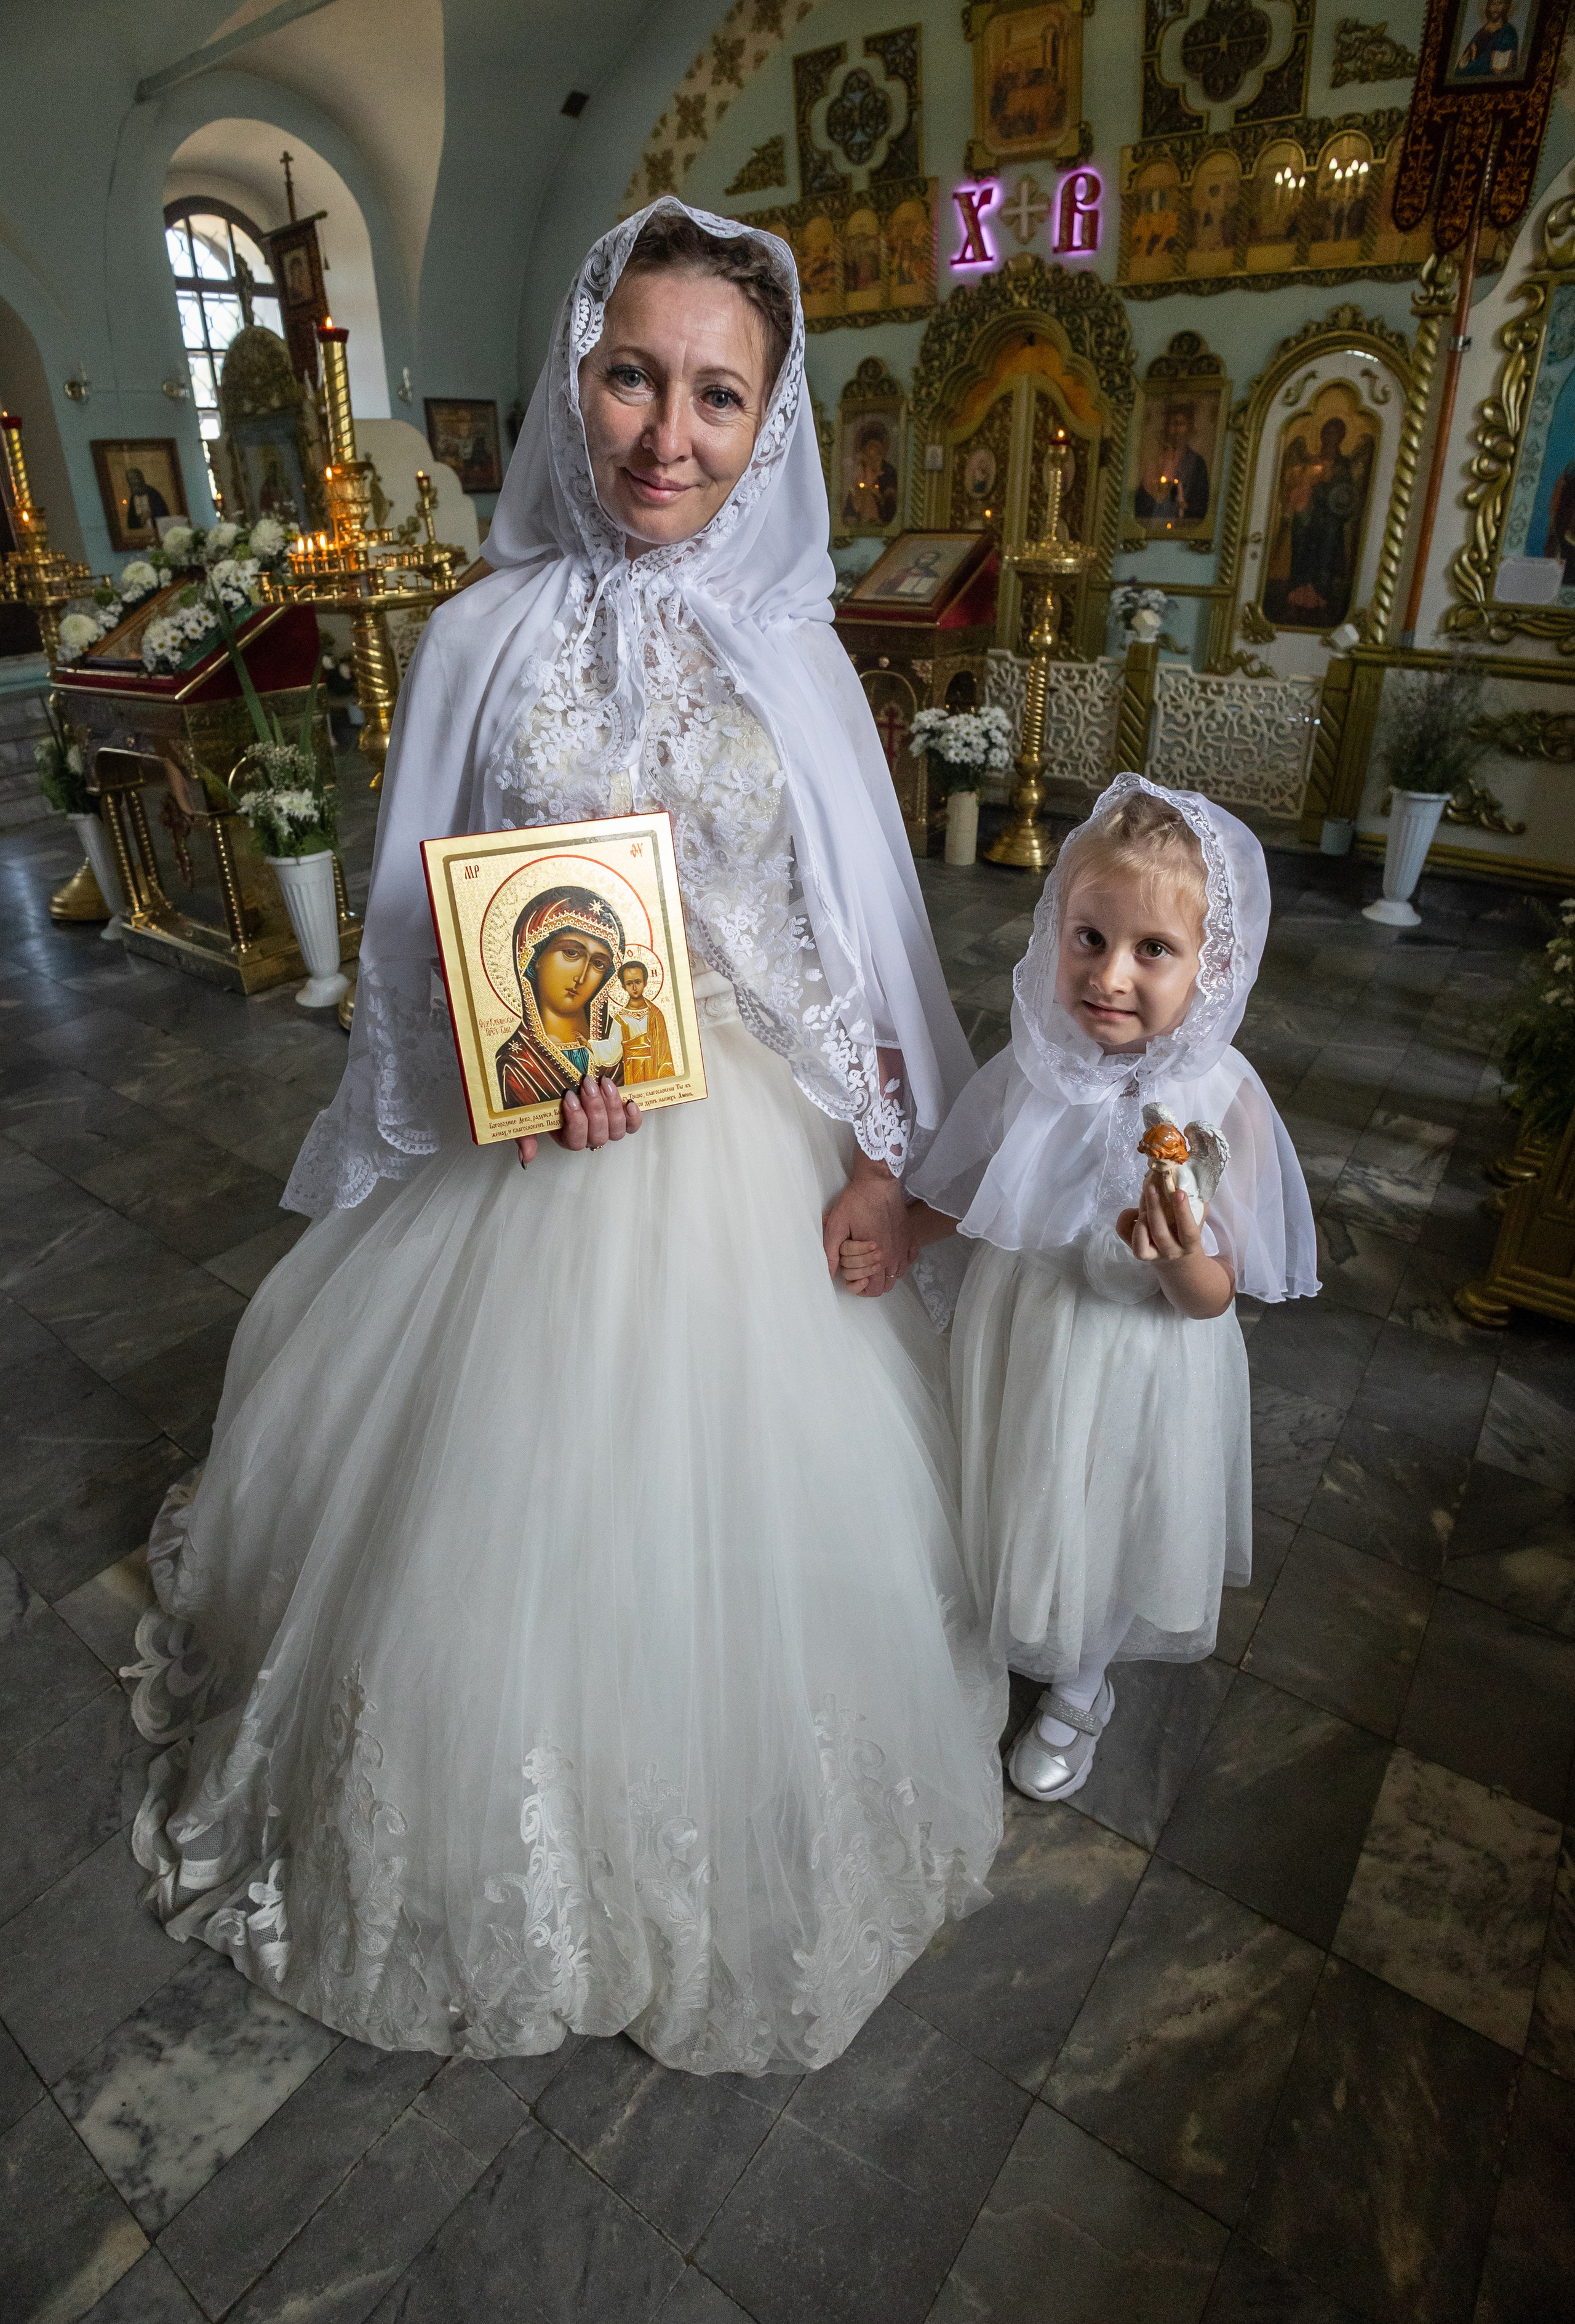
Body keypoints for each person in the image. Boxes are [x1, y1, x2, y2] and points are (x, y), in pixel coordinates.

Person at [125, 198, 1002, 2077]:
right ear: (571, 378)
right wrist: (498, 1071)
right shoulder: (476, 634)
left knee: (745, 1540)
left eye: (716, 393)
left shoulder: (797, 652)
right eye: (631, 376)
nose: (666, 435)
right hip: (534, 1154)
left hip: (751, 1167)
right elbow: (405, 933)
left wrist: (884, 1162)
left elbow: (852, 932)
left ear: (771, 422)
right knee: (485, 1530)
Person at [840, 777, 1317, 1800]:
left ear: (1214, 965)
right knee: (1011, 1480)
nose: (1110, 974)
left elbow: (1215, 1295)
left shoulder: (1221, 1099)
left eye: (1155, 950)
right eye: (1089, 937)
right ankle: (1003, 1620)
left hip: (1133, 1357)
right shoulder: (1033, 1064)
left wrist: (1177, 1255)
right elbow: (983, 1187)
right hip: (1021, 1323)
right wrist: (907, 1236)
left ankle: (1082, 1680)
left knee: (1104, 1512)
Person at [495, 885, 628, 1108]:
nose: (582, 976)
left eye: (598, 964)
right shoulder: (517, 1063)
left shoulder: (620, 1045)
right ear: (535, 956)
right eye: (571, 953)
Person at [1134, 400, 1210, 527]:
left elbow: (1200, 503)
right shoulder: (1156, 460)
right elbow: (1141, 503)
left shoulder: (1197, 463)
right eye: (1172, 424)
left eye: (1181, 424)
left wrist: (1184, 507)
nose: (1176, 429)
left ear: (1189, 428)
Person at [613, 956, 675, 1084]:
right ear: (624, 986)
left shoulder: (655, 1014)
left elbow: (664, 1052)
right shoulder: (620, 1017)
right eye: (630, 983)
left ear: (645, 983)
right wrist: (589, 1044)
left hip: (653, 1069)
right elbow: (612, 1048)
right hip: (630, 1070)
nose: (634, 987)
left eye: (638, 982)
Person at [1454, 0, 1520, 77]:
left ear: (1506, 6)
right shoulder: (1482, 32)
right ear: (1488, 7)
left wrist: (1471, 63)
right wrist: (1465, 64)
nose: (1496, 8)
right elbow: (1460, 67)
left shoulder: (1508, 31)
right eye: (1493, 4)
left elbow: (1495, 64)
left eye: (1500, 3)